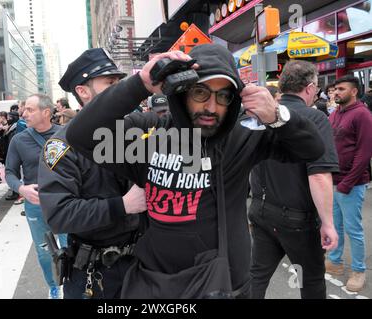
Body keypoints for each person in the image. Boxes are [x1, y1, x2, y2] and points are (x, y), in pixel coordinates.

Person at [65, 44, 325, 298]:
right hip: (157, 285)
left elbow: (312, 149)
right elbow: (81, 135)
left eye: (223, 96)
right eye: (200, 92)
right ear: (182, 92)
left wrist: (277, 115)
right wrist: (141, 83)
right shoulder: (149, 134)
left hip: (226, 286)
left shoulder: (244, 136)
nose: (211, 107)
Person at [38, 48, 147, 299]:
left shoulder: (133, 130)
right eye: (110, 83)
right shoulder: (61, 145)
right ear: (83, 92)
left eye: (120, 82)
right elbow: (59, 215)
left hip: (142, 265)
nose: (119, 89)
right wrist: (121, 205)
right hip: (95, 274)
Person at [249, 60, 339, 299]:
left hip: (261, 210)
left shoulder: (263, 116)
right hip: (297, 219)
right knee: (310, 282)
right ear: (310, 88)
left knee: (256, 276)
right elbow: (319, 175)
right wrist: (328, 222)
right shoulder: (315, 118)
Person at [5, 94, 67, 299]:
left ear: (46, 112)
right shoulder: (19, 140)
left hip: (67, 203)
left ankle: (72, 282)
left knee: (69, 246)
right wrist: (21, 189)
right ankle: (53, 287)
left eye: (30, 109)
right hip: (35, 204)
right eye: (25, 109)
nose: (24, 113)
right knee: (43, 251)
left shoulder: (66, 134)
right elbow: (10, 172)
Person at [325, 75, 372, 292]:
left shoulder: (362, 114)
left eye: (341, 89)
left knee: (353, 229)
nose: (336, 93)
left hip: (351, 184)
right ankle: (335, 261)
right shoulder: (335, 114)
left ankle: (358, 270)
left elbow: (364, 154)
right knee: (335, 225)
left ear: (354, 91)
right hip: (332, 180)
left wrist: (347, 183)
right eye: (335, 89)